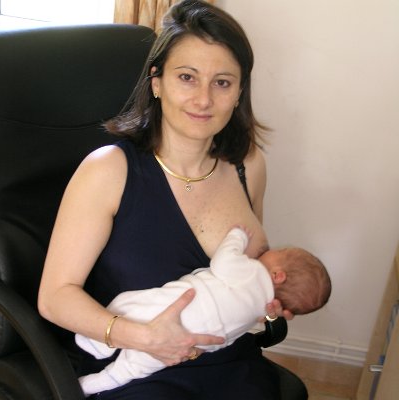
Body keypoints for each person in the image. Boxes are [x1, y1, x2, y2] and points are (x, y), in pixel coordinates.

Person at [38, 0, 294, 398]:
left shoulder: (249, 165)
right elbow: (54, 298)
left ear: (239, 91)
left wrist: (265, 303)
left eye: (222, 82)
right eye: (187, 77)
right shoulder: (107, 170)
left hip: (230, 362)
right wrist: (143, 337)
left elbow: (248, 275)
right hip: (136, 367)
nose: (204, 99)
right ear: (156, 82)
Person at [76, 227, 331, 396]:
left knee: (125, 304)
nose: (269, 251)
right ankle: (92, 384)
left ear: (278, 275)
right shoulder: (258, 311)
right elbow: (225, 339)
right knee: (133, 368)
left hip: (170, 309)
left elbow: (223, 261)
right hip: (186, 345)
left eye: (279, 252)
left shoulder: (253, 272)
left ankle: (96, 343)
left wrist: (237, 237)